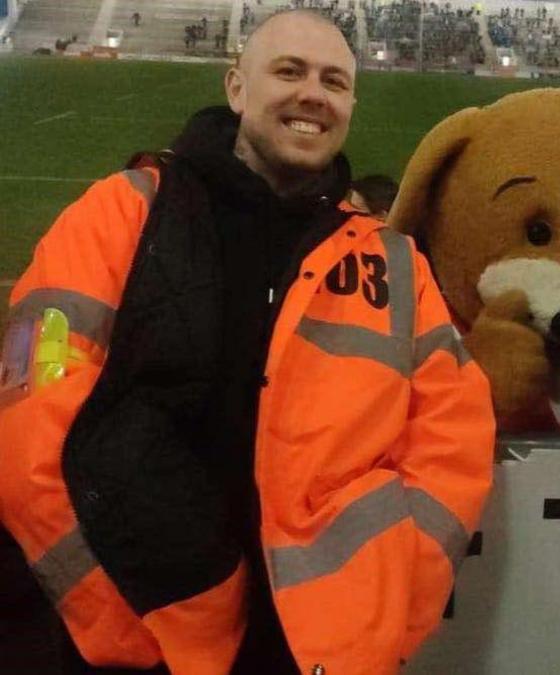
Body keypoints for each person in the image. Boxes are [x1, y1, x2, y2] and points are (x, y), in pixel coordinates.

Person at [0, 9, 494, 674]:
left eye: (334, 81)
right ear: (236, 87)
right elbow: (30, 405)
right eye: (288, 72)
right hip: (134, 639)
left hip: (316, 651)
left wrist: (386, 620)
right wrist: (108, 621)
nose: (312, 94)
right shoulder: (123, 211)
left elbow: (453, 445)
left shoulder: (394, 263)